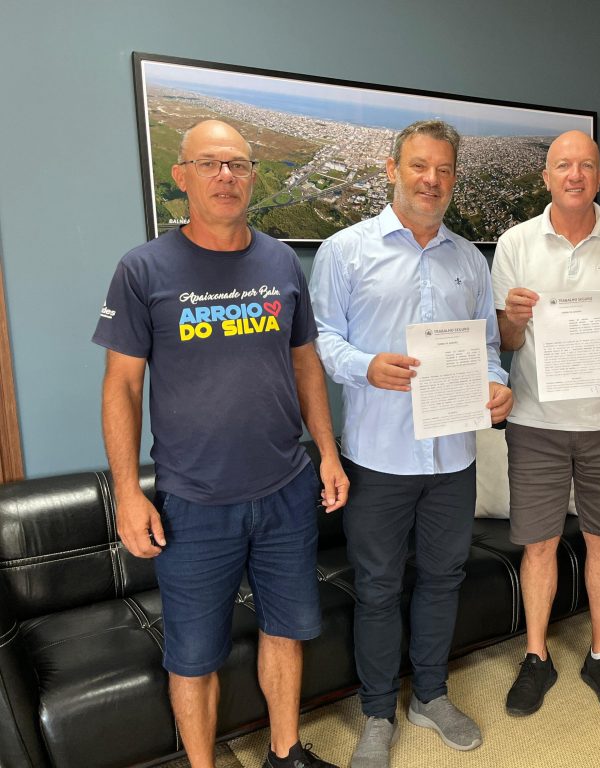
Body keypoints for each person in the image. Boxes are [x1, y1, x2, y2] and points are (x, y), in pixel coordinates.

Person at [93, 120, 347, 768]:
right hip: (194, 501)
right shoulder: (142, 269)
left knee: (286, 631)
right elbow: (122, 386)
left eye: (237, 164)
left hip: (286, 488)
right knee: (193, 657)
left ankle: (285, 753)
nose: (225, 176)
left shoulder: (281, 262)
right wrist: (127, 493)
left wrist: (327, 454)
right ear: (182, 177)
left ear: (253, 176)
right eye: (209, 164)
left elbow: (306, 363)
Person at [310, 120, 512, 767]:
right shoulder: (345, 250)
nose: (432, 180)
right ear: (392, 169)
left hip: (452, 457)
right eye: (420, 166)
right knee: (376, 587)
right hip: (379, 458)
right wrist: (365, 366)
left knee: (443, 579)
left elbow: (487, 347)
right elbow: (320, 340)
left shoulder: (469, 259)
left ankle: (429, 695)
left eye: (444, 170)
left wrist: (498, 384)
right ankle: (377, 713)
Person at [492, 130, 600, 718]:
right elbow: (505, 339)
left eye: (586, 165)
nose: (574, 174)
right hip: (535, 421)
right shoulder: (516, 243)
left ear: (599, 177)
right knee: (538, 544)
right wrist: (515, 320)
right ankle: (536, 656)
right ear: (546, 176)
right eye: (563, 165)